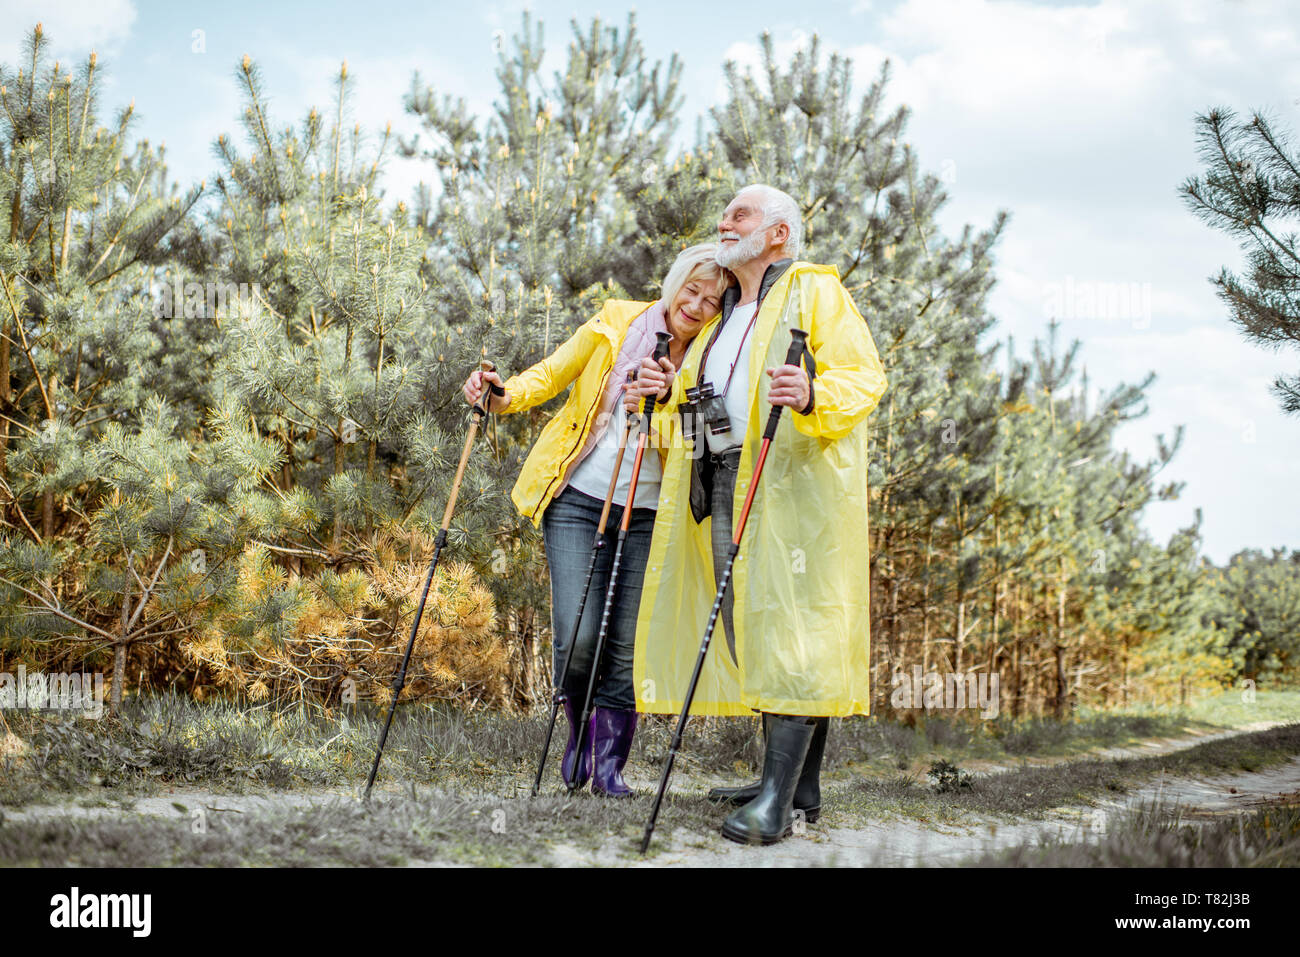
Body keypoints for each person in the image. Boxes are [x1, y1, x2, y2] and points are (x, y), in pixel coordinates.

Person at [626, 185, 888, 843]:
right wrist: (665, 397)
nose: (724, 221)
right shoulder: (724, 316)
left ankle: (774, 804)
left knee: (791, 627)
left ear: (778, 233)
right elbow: (700, 400)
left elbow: (864, 375)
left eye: (739, 213)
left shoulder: (814, 290)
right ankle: (797, 784)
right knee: (753, 628)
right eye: (725, 213)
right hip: (721, 479)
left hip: (787, 483)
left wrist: (811, 392)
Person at [463, 244, 729, 795]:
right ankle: (580, 730)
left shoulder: (715, 357)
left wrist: (661, 407)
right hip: (580, 498)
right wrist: (502, 396)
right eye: (693, 290)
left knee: (627, 643)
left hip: (653, 513)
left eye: (713, 299)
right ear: (676, 283)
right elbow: (554, 373)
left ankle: (609, 764)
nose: (698, 306)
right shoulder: (615, 321)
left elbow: (710, 442)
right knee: (578, 637)